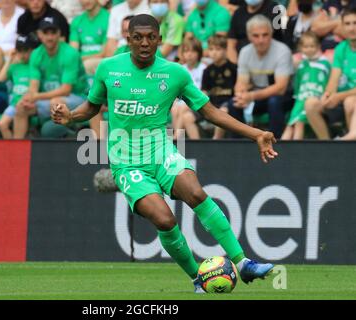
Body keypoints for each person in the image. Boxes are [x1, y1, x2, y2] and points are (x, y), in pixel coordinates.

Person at [51, 14, 277, 293]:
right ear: (128, 39)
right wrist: (70, 116)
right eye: (138, 37)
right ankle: (198, 278)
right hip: (125, 161)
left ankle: (243, 263)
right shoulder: (109, 69)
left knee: (195, 192)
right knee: (165, 219)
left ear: (159, 39)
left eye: (150, 37)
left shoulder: (175, 74)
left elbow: (210, 113)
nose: (144, 43)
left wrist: (256, 133)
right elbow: (91, 107)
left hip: (161, 152)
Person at [13, 16, 89, 139]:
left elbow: (66, 90)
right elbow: (33, 85)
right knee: (22, 106)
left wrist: (36, 96)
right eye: (46, 33)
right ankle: (16, 153)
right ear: (39, 34)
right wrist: (30, 99)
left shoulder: (70, 53)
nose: (50, 37)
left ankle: (70, 132)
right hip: (49, 99)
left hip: (79, 98)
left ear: (59, 33)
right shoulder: (36, 54)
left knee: (56, 103)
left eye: (53, 32)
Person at [227, 15, 294, 139]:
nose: (261, 40)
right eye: (256, 36)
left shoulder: (282, 51)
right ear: (249, 36)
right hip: (257, 95)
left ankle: (275, 141)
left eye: (265, 35)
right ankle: (237, 145)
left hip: (282, 97)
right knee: (234, 103)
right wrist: (240, 95)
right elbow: (241, 82)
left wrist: (251, 96)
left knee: (274, 102)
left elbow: (281, 88)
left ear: (271, 34)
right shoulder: (245, 52)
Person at [306, 7, 356, 140]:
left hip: (350, 99)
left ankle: (350, 143)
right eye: (347, 24)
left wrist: (339, 96)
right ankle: (327, 146)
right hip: (341, 98)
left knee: (351, 102)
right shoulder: (341, 48)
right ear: (343, 27)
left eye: (355, 23)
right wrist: (328, 95)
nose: (352, 28)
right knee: (311, 104)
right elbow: (334, 78)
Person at [281, 32, 331, 140]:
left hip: (316, 99)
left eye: (312, 46)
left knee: (299, 123)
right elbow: (297, 83)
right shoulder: (301, 65)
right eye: (306, 46)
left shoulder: (325, 64)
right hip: (301, 99)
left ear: (318, 46)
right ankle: (281, 150)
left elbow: (329, 82)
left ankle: (296, 150)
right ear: (300, 48)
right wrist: (297, 96)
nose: (309, 49)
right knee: (290, 124)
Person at [0, 35, 34, 139]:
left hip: (29, 103)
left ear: (32, 50)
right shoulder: (15, 66)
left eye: (26, 50)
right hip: (14, 103)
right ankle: (12, 150)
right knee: (2, 124)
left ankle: (17, 149)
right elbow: (1, 78)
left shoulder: (34, 66)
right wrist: (10, 59)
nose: (23, 54)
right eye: (20, 50)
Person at [202, 34, 237, 139]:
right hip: (211, 104)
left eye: (218, 49)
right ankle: (189, 148)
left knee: (222, 112)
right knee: (186, 116)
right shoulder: (207, 70)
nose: (214, 53)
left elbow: (237, 91)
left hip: (228, 105)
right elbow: (204, 91)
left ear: (225, 50)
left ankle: (215, 141)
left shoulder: (233, 68)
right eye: (211, 49)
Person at [171, 37, 207, 140]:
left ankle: (176, 137)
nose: (189, 54)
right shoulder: (181, 69)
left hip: (197, 101)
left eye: (193, 51)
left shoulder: (204, 68)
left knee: (182, 108)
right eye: (186, 51)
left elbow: (203, 91)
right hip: (182, 101)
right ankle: (177, 136)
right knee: (174, 109)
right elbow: (176, 90)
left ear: (199, 53)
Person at [69, 0, 110, 75]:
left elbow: (105, 53)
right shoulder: (77, 21)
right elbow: (73, 51)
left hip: (101, 61)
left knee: (85, 66)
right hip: (81, 62)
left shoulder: (109, 18)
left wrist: (80, 59)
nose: (86, 1)